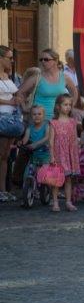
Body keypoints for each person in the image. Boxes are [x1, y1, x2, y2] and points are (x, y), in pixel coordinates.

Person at [16, 49, 77, 123]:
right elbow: (19, 92)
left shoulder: (64, 77)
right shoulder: (37, 77)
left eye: (46, 59)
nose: (43, 62)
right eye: (41, 60)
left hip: (59, 119)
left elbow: (74, 92)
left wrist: (70, 107)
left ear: (55, 61)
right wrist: (24, 107)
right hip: (39, 120)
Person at [48, 94, 79, 212]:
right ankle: (55, 202)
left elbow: (74, 139)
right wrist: (52, 156)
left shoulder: (72, 122)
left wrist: (76, 154)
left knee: (68, 179)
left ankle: (68, 202)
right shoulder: (54, 123)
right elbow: (50, 141)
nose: (68, 107)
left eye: (70, 105)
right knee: (56, 179)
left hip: (69, 155)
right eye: (65, 104)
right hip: (58, 155)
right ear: (58, 106)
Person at [0, 45, 23, 201]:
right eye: (9, 58)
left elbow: (16, 94)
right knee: (1, 154)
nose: (12, 61)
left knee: (5, 156)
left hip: (12, 119)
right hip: (1, 118)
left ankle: (4, 190)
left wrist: (18, 99)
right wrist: (9, 101)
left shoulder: (9, 76)